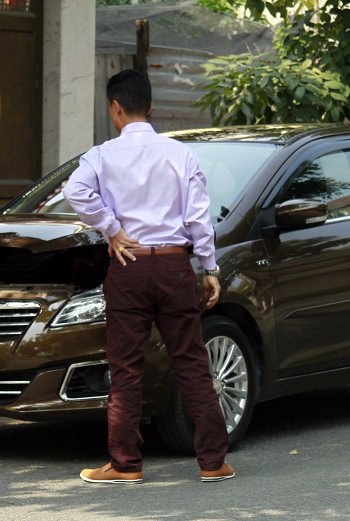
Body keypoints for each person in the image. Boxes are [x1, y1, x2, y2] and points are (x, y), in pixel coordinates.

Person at [63, 69, 234, 484]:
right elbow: (198, 218)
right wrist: (209, 268)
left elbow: (75, 191)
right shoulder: (181, 154)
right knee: (192, 362)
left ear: (115, 109)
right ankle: (213, 462)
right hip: (175, 265)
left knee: (126, 367)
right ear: (152, 107)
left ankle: (126, 464)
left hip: (128, 265)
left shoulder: (101, 155)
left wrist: (112, 228)